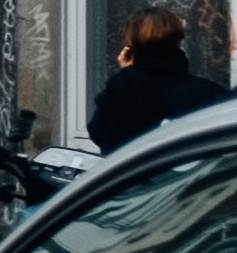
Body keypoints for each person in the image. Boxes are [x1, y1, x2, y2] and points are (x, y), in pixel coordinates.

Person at [90, 12, 227, 150]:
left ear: (130, 43)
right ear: (177, 39)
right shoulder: (208, 93)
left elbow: (100, 134)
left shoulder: (120, 91)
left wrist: (128, 73)